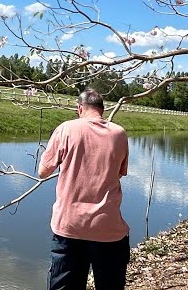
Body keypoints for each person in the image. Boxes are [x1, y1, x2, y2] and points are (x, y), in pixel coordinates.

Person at [38, 89, 130, 290]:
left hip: (70, 226)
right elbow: (121, 171)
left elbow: (42, 172)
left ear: (79, 108)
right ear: (102, 110)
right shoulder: (119, 133)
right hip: (108, 227)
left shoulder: (66, 129)